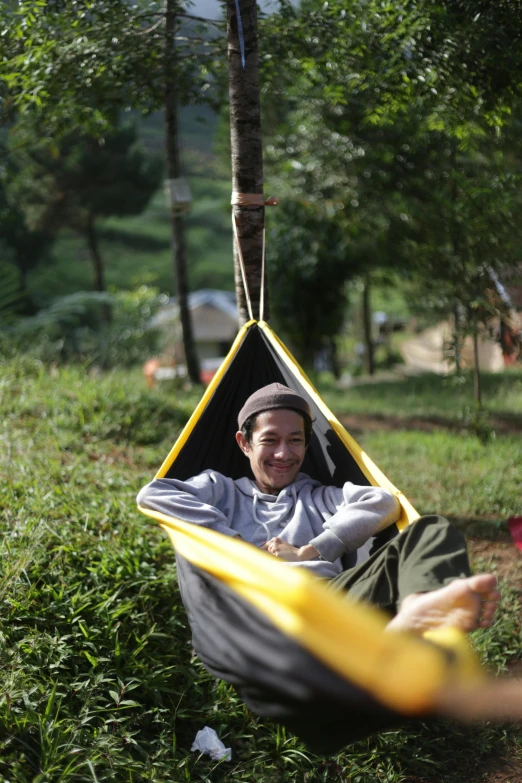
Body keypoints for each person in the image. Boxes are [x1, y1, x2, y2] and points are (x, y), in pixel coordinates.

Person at [138, 382, 500, 638]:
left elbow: (384, 501)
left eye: (295, 440)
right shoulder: (220, 490)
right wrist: (241, 550)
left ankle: (411, 616)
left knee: (431, 530)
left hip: (330, 603)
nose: (284, 454)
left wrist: (310, 550)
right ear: (244, 443)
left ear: (307, 443)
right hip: (252, 610)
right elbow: (154, 494)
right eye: (270, 440)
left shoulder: (319, 497)